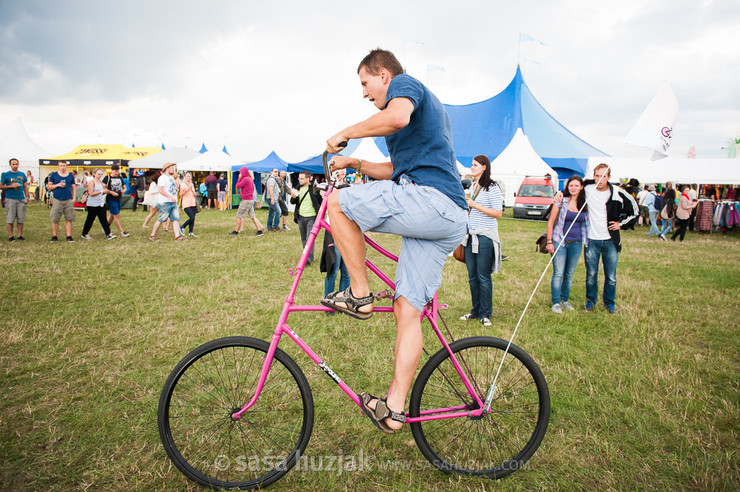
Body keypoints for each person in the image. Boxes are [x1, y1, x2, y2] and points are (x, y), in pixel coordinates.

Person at [322, 48, 467, 433]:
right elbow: (394, 170)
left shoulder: (405, 86)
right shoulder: (407, 121)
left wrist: (346, 134)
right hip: (447, 218)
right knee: (407, 309)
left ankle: (359, 294)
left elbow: (396, 116)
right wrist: (355, 163)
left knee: (337, 204)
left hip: (432, 203)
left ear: (384, 74)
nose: (365, 93)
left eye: (365, 84)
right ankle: (394, 408)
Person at [578, 163, 638, 314]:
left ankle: (609, 303)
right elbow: (570, 191)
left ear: (609, 177)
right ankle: (590, 302)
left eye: (603, 176)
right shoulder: (586, 189)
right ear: (593, 176)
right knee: (591, 274)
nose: (599, 179)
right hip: (591, 239)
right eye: (597, 176)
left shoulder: (617, 193)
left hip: (610, 241)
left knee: (610, 275)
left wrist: (621, 224)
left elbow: (634, 210)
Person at [457, 155, 503, 326]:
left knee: (483, 277)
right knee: (472, 276)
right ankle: (475, 310)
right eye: (472, 165)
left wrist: (474, 205)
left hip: (485, 236)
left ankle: (486, 313)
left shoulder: (492, 187)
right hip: (470, 235)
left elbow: (498, 212)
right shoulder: (473, 185)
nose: (472, 167)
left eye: (475, 165)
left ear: (484, 167)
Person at [545, 176, 588, 313]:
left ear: (581, 187)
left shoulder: (585, 203)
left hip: (576, 243)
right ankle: (556, 302)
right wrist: (550, 241)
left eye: (576, 185)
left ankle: (565, 300)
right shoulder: (561, 201)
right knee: (558, 273)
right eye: (571, 185)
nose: (573, 188)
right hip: (560, 241)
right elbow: (551, 221)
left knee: (569, 274)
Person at [289, 171, 321, 265]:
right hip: (300, 216)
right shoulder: (298, 188)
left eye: (302, 178)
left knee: (309, 238)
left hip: (311, 216)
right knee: (303, 238)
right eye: (299, 178)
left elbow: (321, 201)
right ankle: (305, 256)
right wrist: (293, 196)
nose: (299, 180)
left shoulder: (314, 189)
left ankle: (309, 258)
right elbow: (292, 202)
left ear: (308, 178)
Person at [149, 162, 183, 241]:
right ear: (167, 169)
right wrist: (170, 197)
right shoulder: (162, 178)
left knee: (176, 219)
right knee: (161, 219)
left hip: (173, 202)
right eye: (171, 168)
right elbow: (160, 190)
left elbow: (171, 189)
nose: (173, 169)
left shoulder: (171, 177)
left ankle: (177, 236)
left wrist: (176, 189)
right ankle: (152, 235)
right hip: (165, 202)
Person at [46, 160, 77, 242]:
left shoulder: (70, 175)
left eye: (64, 165)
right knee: (55, 218)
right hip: (57, 199)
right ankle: (54, 236)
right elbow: (49, 187)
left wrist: (73, 198)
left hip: (68, 199)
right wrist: (57, 185)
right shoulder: (54, 175)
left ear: (66, 166)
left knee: (69, 218)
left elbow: (73, 187)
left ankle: (69, 236)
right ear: (58, 166)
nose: (63, 167)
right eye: (61, 166)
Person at [81, 169, 116, 240]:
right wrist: (101, 191)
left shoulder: (100, 182)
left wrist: (108, 192)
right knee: (90, 219)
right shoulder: (92, 182)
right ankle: (84, 233)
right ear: (94, 174)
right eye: (98, 174)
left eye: (101, 174)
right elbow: (91, 193)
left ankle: (108, 234)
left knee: (103, 219)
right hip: (92, 204)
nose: (100, 175)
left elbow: (103, 191)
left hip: (100, 203)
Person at [230, 166, 265, 236]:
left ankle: (236, 231)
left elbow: (238, 186)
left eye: (240, 172)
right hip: (250, 199)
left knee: (239, 216)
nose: (240, 174)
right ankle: (259, 230)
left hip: (246, 200)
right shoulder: (250, 179)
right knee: (252, 216)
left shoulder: (245, 179)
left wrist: (239, 179)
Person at [1, 158, 29, 241]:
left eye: (16, 164)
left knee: (21, 218)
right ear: (10, 165)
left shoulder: (22, 174)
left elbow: (25, 186)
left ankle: (19, 235)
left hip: (21, 198)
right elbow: (1, 186)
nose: (15, 166)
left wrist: (27, 197)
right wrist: (10, 186)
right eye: (13, 164)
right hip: (10, 198)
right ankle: (11, 236)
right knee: (10, 218)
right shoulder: (6, 175)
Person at [102, 164, 130, 237]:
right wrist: (111, 192)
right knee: (116, 215)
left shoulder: (120, 178)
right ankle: (122, 231)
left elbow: (124, 187)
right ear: (112, 171)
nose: (116, 173)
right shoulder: (107, 178)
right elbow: (103, 188)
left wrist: (124, 190)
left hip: (119, 198)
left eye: (118, 171)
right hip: (111, 198)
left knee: (112, 214)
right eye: (115, 171)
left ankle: (106, 227)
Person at [179, 172, 198, 237]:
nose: (189, 177)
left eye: (189, 176)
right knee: (191, 217)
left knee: (193, 218)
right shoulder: (183, 185)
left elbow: (193, 193)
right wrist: (187, 189)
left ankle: (191, 232)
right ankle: (182, 226)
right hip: (186, 203)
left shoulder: (192, 184)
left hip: (192, 202)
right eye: (187, 176)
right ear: (185, 177)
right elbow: (180, 194)